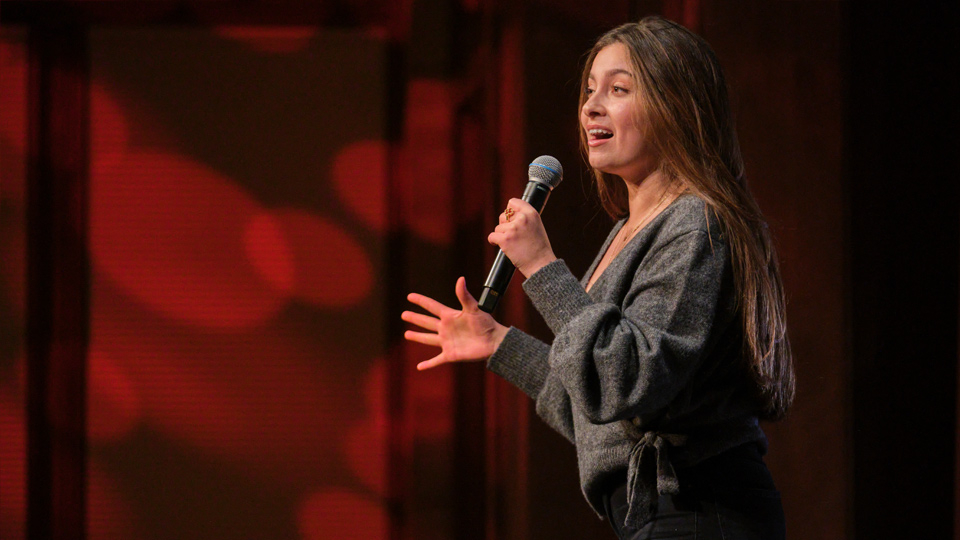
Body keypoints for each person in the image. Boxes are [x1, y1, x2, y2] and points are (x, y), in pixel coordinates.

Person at [401, 16, 794, 540]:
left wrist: (541, 267)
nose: (591, 106)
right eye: (589, 90)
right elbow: (600, 409)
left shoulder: (696, 224)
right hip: (650, 511)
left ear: (678, 106)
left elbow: (627, 380)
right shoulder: (628, 231)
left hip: (699, 508)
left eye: (619, 89)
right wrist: (499, 344)